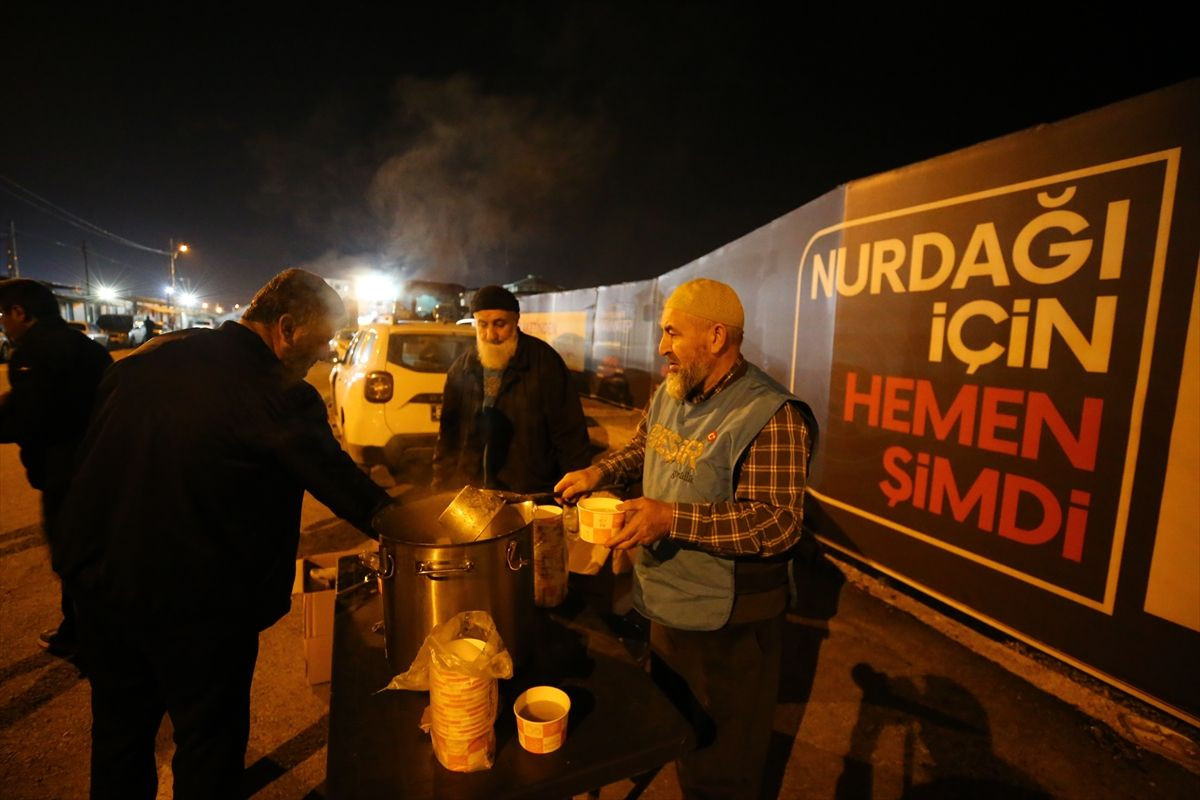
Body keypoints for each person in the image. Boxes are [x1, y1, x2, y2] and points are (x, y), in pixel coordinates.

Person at [53, 268, 394, 799]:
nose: (326, 353)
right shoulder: (276, 392)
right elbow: (345, 488)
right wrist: (414, 527)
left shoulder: (149, 358)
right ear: (285, 327)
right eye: (324, 339)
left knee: (120, 736)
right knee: (207, 743)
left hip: (100, 588)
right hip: (197, 608)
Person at [555, 278, 815, 800]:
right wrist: (599, 474)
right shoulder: (671, 391)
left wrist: (672, 518)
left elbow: (777, 522)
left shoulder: (772, 414)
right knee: (680, 734)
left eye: (672, 333)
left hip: (731, 624)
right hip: (667, 603)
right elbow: (644, 448)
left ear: (717, 336)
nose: (660, 347)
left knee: (723, 767)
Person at [0, 278, 112, 659]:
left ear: (20, 312)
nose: (3, 323)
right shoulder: (88, 348)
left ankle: (85, 633)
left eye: (4, 314)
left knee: (72, 556)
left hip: (64, 470)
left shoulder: (33, 353)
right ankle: (89, 626)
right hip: (100, 462)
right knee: (93, 551)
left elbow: (32, 417)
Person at [433, 284, 591, 492]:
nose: (491, 335)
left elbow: (569, 434)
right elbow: (449, 436)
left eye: (499, 324)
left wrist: (574, 489)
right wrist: (441, 485)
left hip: (529, 491)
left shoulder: (544, 363)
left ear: (516, 320)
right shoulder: (462, 369)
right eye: (483, 325)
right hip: (472, 490)